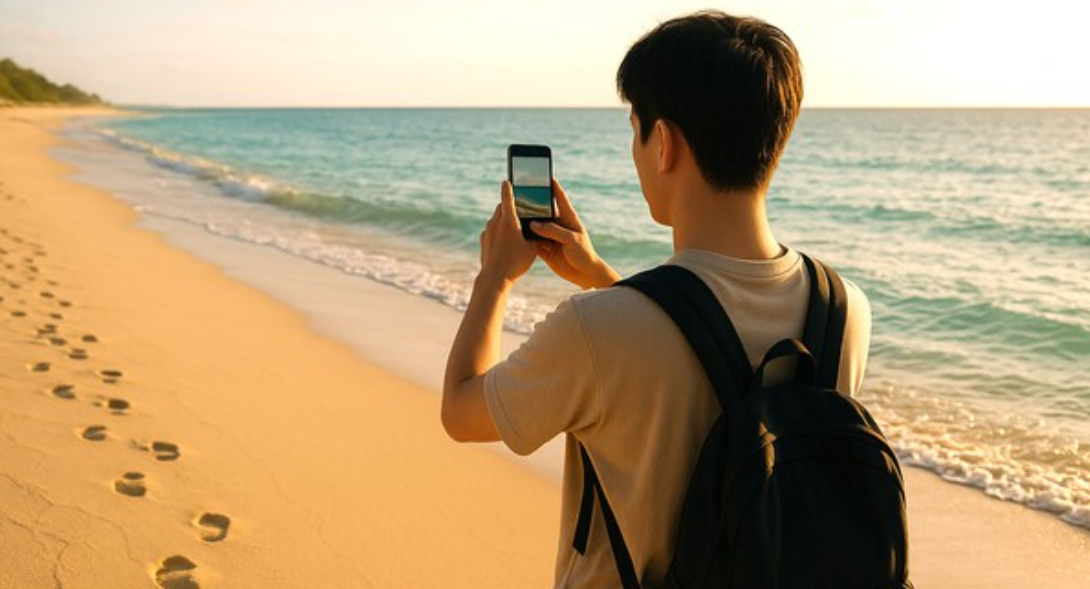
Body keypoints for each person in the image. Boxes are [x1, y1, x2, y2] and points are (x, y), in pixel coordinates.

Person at [441, 10, 872, 588]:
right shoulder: (845, 309)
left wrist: (494, 278)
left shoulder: (597, 331)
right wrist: (603, 279)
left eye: (635, 129)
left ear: (663, 143)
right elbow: (699, 359)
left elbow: (462, 410)